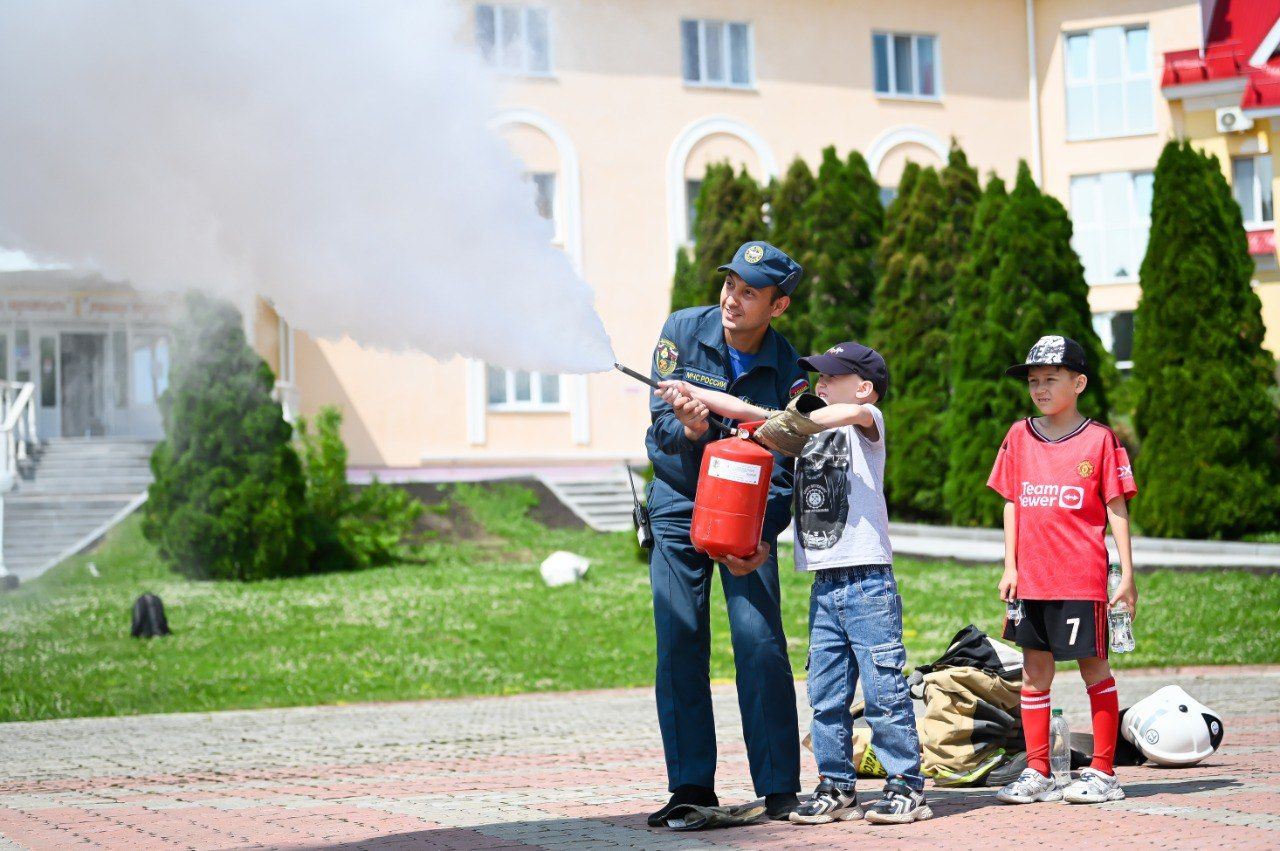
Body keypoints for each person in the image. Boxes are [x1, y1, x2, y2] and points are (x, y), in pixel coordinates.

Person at [664, 341, 934, 826]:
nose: (820, 383)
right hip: (823, 586)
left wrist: (793, 421)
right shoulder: (802, 424)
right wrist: (690, 390)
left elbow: (849, 413)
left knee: (883, 691)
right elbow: (744, 408)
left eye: (831, 377)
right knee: (825, 694)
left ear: (864, 387)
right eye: (818, 377)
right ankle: (837, 787)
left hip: (868, 581)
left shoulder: (866, 423)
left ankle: (906, 786)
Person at [643, 241, 809, 827]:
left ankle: (780, 787)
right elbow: (657, 432)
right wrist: (688, 430)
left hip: (747, 515)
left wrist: (764, 535)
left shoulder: (790, 370)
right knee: (680, 640)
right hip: (678, 504)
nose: (731, 299)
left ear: (778, 305)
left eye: (749, 292)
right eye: (729, 285)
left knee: (760, 642)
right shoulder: (682, 332)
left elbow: (788, 464)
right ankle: (690, 786)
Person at [987, 335, 1138, 805]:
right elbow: (1012, 503)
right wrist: (1010, 565)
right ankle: (1039, 771)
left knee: (1095, 668)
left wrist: (1127, 575)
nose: (1040, 388)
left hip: (1081, 577)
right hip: (1031, 579)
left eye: (1051, 379)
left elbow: (1116, 506)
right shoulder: (1018, 435)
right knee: (1035, 672)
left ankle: (1103, 772)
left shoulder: (1100, 439)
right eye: (1033, 380)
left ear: (1079, 383)